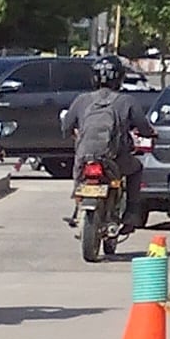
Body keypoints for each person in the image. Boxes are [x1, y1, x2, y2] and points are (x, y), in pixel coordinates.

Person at [67, 52, 141, 220]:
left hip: (84, 158)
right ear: (120, 78)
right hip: (115, 159)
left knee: (79, 175)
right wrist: (151, 133)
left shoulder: (81, 100)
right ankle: (131, 213)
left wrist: (78, 138)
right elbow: (143, 127)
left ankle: (77, 205)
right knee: (137, 168)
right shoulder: (127, 101)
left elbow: (66, 127)